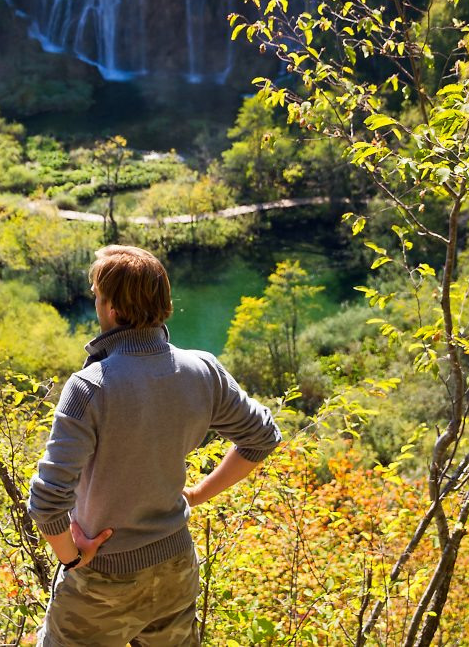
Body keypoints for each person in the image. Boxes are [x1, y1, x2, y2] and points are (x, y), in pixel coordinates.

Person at [28, 245, 282, 646]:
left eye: (97, 295)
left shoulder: (91, 386)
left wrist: (71, 555)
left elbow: (46, 500)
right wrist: (198, 494)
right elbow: (261, 436)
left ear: (112, 309)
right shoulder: (202, 369)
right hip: (176, 566)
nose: (96, 303)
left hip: (104, 577)